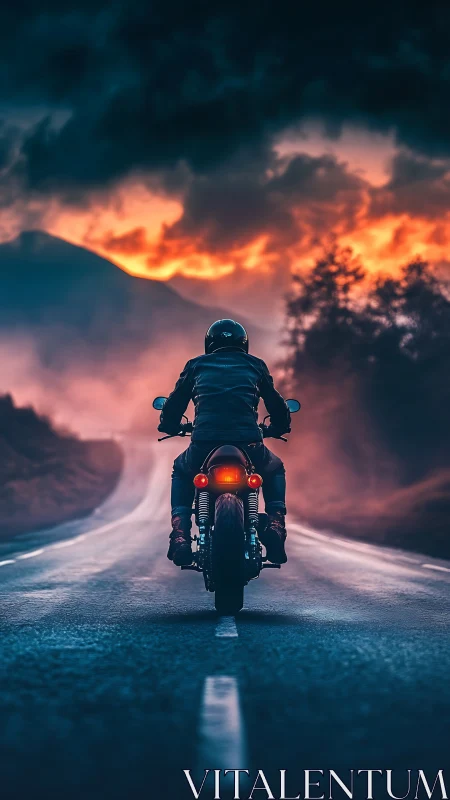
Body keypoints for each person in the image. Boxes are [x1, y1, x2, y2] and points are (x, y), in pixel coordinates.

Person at [158, 319, 292, 567]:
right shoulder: (256, 365)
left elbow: (175, 404)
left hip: (205, 443)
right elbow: (275, 403)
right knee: (274, 468)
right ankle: (274, 524)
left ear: (210, 344)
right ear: (244, 344)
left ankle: (180, 537)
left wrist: (168, 425)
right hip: (249, 443)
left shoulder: (196, 365)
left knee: (181, 470)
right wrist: (280, 426)